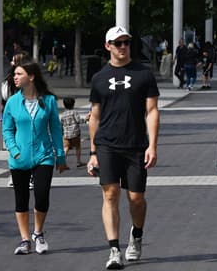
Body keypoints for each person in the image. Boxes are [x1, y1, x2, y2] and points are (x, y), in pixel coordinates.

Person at [88, 26, 160, 270]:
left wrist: (152, 145)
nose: (122, 47)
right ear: (108, 46)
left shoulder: (144, 74)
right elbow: (94, 116)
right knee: (110, 195)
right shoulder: (98, 78)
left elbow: (151, 111)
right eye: (117, 43)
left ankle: (136, 236)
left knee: (136, 198)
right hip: (107, 144)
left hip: (136, 144)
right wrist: (92, 152)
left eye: (126, 42)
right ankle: (113, 250)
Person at [2, 61, 68, 255]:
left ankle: (38, 233)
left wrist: (61, 155)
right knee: (21, 199)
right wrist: (14, 150)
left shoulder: (48, 101)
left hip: (44, 156)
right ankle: (24, 240)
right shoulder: (13, 102)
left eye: (19, 74)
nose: (15, 77)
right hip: (19, 158)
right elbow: (7, 129)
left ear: (31, 77)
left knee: (41, 195)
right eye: (14, 74)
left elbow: (56, 129)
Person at [60, 97, 87, 167]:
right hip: (75, 134)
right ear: (73, 104)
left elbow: (61, 124)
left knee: (66, 148)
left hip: (66, 135)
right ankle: (78, 161)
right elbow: (78, 121)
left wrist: (62, 133)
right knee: (78, 147)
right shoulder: (74, 112)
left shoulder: (63, 114)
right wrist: (86, 119)